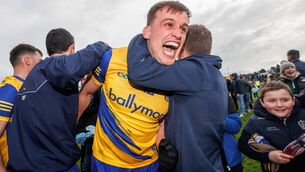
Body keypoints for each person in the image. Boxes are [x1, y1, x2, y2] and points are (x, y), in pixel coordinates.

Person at [78, 1, 190, 172]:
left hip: (148, 165)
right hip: (104, 163)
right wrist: (74, 126)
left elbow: (161, 122)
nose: (178, 34)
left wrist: (163, 146)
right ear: (147, 32)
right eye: (169, 24)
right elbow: (86, 93)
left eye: (183, 29)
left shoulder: (177, 75)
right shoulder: (112, 58)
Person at [127, 23, 228, 172]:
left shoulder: (195, 71)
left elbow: (139, 72)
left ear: (181, 47)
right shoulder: (213, 74)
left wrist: (145, 37)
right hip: (206, 161)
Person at [6, 28, 109, 171]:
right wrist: (102, 46)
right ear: (72, 48)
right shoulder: (53, 66)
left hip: (30, 162)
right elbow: (70, 67)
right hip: (52, 165)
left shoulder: (35, 76)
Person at [238, 81, 305, 172]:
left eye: (285, 100)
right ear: (262, 102)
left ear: (293, 100)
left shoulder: (302, 113)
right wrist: (268, 156)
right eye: (272, 101)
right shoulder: (255, 123)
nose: (279, 105)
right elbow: (243, 145)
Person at [0, 44, 42, 171]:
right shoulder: (10, 89)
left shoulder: (27, 87)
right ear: (27, 60)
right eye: (39, 61)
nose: (41, 65)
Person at [221, 94, 243, 172]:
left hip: (230, 159)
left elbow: (235, 126)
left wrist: (215, 116)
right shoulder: (182, 95)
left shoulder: (222, 93)